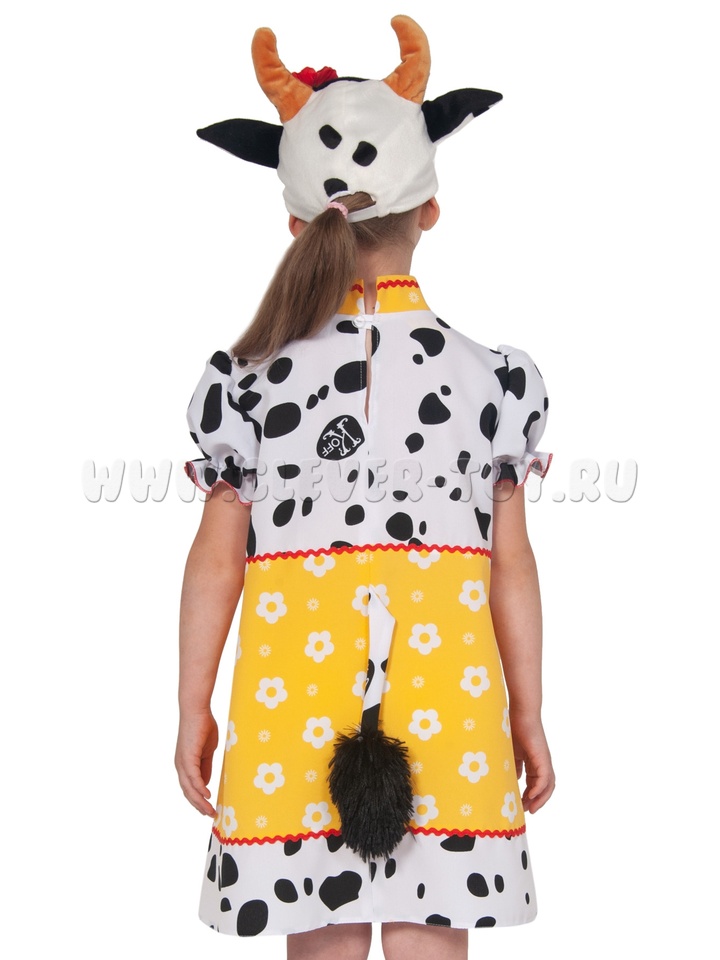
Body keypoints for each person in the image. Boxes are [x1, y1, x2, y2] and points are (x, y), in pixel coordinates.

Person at [175, 15, 555, 960]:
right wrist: (526, 711)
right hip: (450, 692)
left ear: (296, 224)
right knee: (432, 938)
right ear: (431, 211)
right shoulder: (493, 382)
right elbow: (511, 566)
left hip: (293, 693)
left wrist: (192, 705)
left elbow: (217, 560)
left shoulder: (248, 383)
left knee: (321, 935)